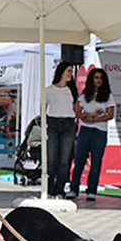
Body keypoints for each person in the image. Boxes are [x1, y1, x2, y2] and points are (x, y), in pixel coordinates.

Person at [68, 68, 116, 201]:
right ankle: (74, 189)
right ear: (91, 79)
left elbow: (110, 115)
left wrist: (94, 119)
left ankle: (91, 191)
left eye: (101, 78)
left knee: (96, 162)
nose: (98, 80)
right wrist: (88, 116)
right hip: (84, 130)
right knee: (79, 161)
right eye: (96, 78)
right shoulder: (84, 96)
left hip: (100, 131)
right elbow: (77, 112)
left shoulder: (108, 95)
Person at [43, 62, 79, 198]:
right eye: (68, 71)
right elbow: (43, 109)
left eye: (71, 71)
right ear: (61, 72)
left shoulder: (73, 91)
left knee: (64, 160)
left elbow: (76, 110)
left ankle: (60, 190)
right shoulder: (48, 90)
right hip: (52, 123)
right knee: (51, 159)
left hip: (68, 124)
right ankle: (50, 189)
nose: (71, 74)